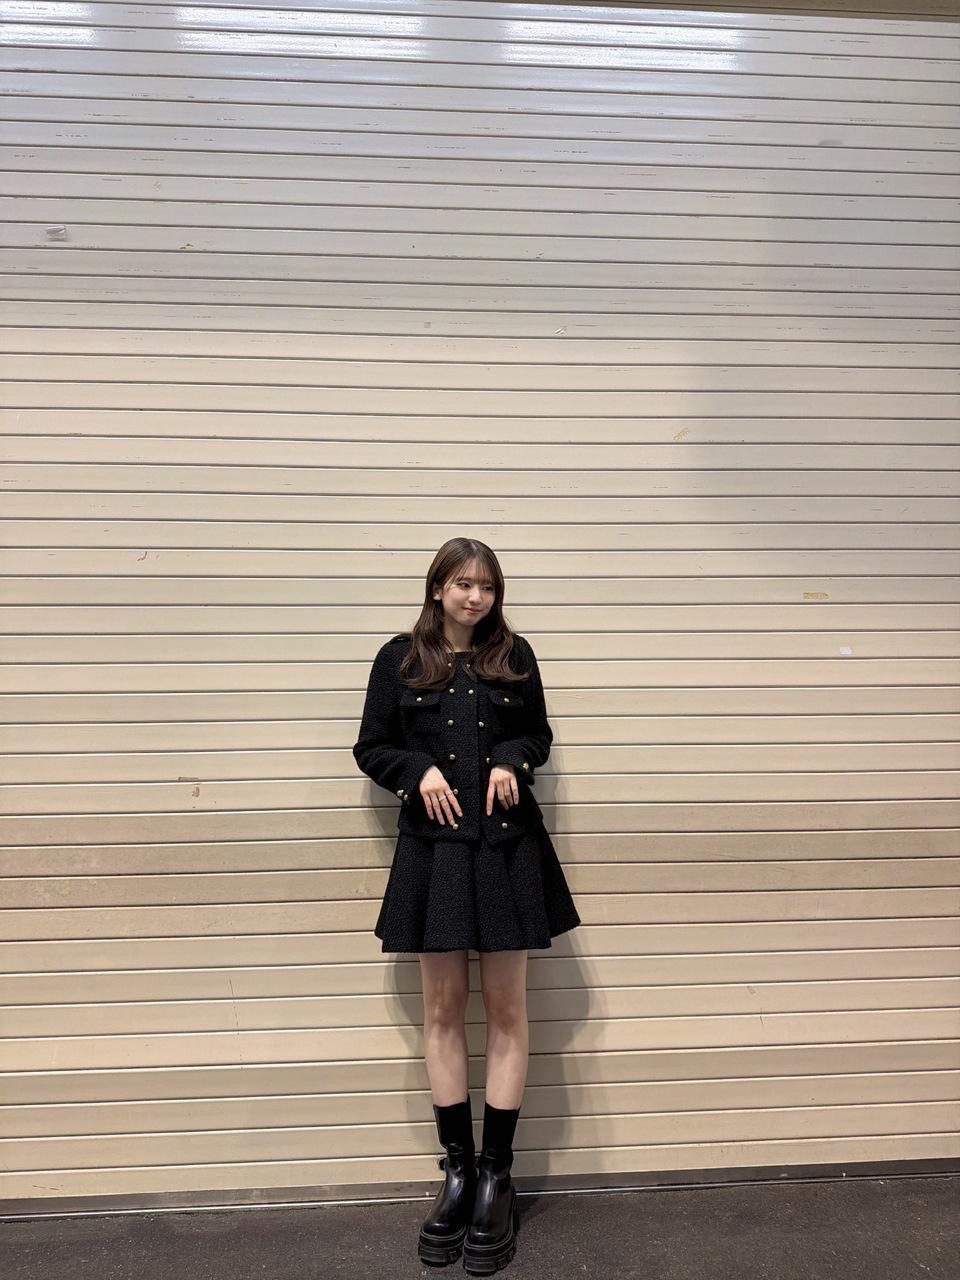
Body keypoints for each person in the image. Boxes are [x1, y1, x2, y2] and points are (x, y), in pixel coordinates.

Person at [352, 537, 582, 1273]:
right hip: (437, 853)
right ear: (438, 589)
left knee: (508, 1010)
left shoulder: (514, 655)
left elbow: (536, 734)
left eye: (486, 586)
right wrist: (415, 769)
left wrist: (514, 757)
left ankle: (496, 1177)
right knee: (443, 1010)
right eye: (462, 584)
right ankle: (456, 1172)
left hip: (507, 850)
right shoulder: (399, 659)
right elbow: (371, 746)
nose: (475, 597)